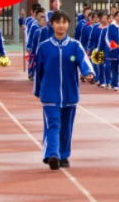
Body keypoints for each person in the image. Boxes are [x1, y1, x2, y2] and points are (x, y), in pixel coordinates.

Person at [34, 10, 94, 170]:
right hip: (49, 93)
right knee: (53, 124)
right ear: (52, 24)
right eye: (57, 22)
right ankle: (53, 154)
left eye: (64, 22)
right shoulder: (44, 47)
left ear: (68, 24)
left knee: (66, 126)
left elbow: (83, 61)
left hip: (70, 93)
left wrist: (88, 72)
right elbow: (38, 70)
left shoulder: (75, 45)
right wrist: (37, 90)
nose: (61, 25)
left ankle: (64, 154)